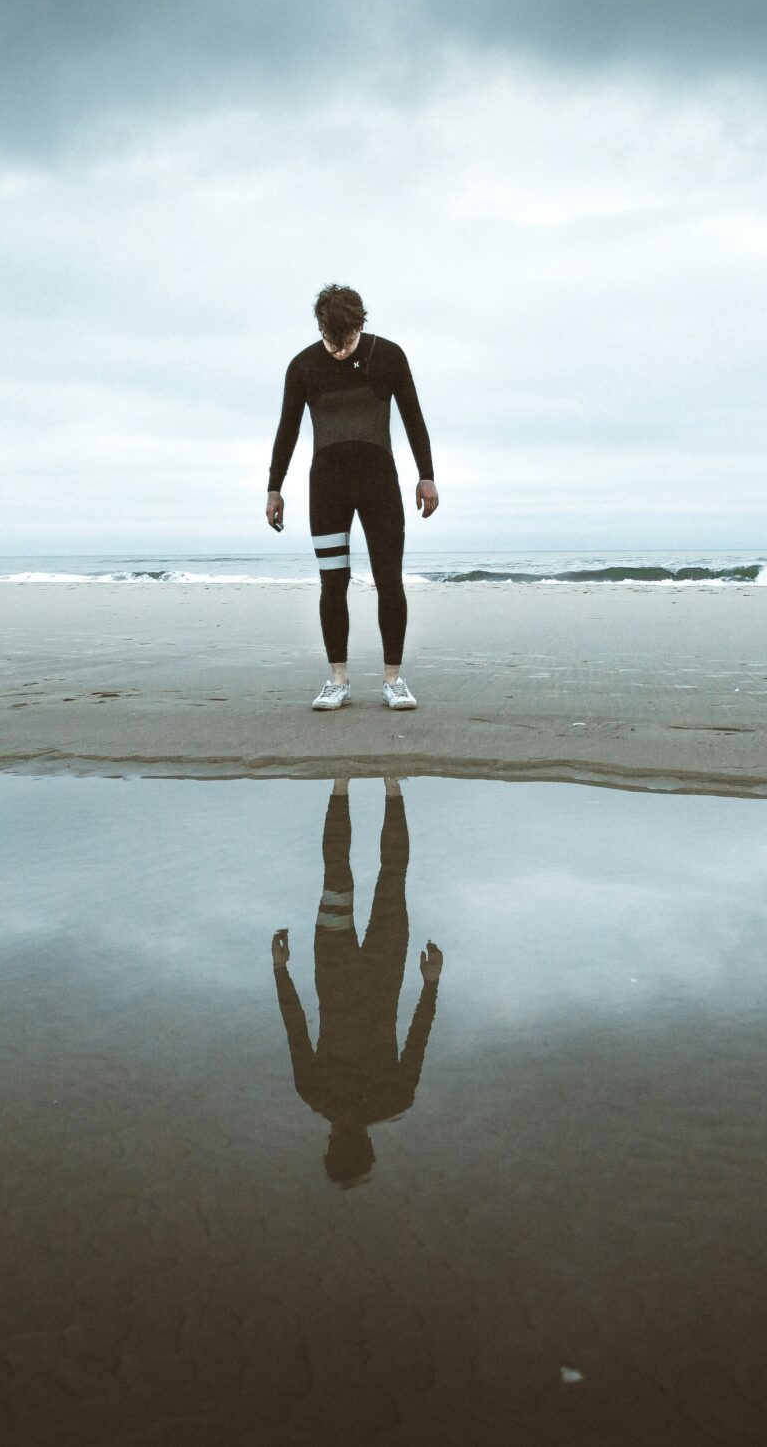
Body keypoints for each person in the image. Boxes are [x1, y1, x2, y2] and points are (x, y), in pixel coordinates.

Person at [266, 283, 438, 710]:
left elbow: (413, 415)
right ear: (320, 326)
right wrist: (275, 486)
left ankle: (393, 680)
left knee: (389, 581)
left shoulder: (389, 356)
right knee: (332, 584)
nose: (339, 349)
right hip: (326, 489)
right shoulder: (303, 366)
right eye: (330, 338)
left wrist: (426, 476)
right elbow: (287, 429)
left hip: (379, 484)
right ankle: (338, 680)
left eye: (346, 338)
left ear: (361, 323)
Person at [272, 778, 442, 1187]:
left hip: (371, 969)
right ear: (336, 1145)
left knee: (386, 876)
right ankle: (352, 782)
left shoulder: (385, 1099)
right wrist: (280, 971)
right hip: (344, 970)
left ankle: (381, 783)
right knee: (357, 874)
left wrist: (431, 986)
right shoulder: (326, 1095)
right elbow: (295, 1026)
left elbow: (417, 1039)